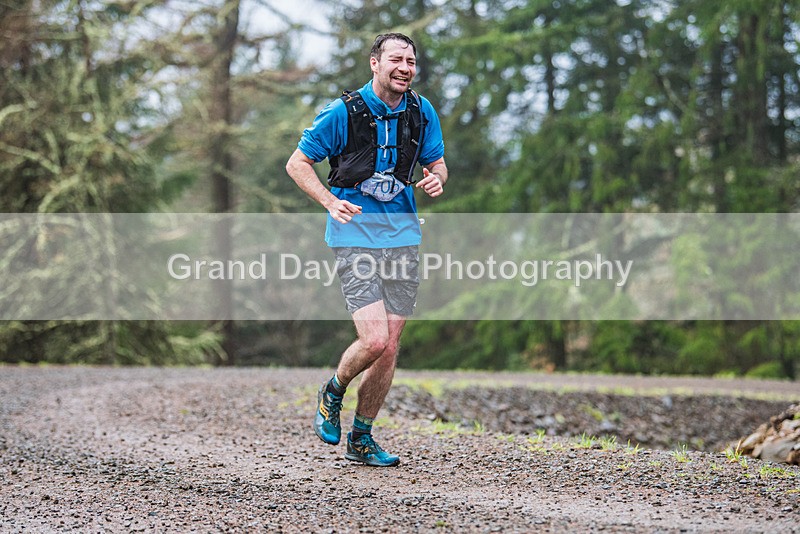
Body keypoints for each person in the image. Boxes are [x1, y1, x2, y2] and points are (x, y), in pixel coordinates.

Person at [285, 32, 448, 467]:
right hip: (355, 235)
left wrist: (437, 178)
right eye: (397, 59)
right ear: (374, 64)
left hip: (403, 237)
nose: (405, 68)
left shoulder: (421, 110)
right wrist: (328, 200)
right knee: (373, 339)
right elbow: (297, 163)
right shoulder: (342, 112)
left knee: (391, 346)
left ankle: (362, 437)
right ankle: (333, 389)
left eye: (411, 61)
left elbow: (437, 162)